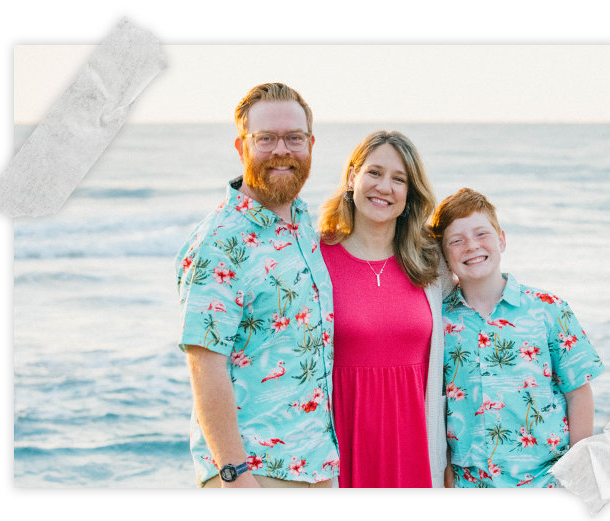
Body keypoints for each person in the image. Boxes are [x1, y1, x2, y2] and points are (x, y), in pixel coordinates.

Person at [176, 83, 338, 488]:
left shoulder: (303, 226)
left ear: (311, 144)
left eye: (293, 138)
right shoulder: (220, 241)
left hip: (317, 465)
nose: (282, 149)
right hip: (255, 472)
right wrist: (233, 475)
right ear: (242, 146)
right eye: (266, 138)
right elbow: (205, 363)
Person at [430, 188, 604, 488]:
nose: (471, 246)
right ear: (446, 256)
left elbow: (578, 393)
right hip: (469, 482)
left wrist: (580, 472)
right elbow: (436, 407)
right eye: (456, 241)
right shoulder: (438, 321)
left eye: (481, 234)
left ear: (502, 240)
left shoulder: (549, 309)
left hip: (547, 480)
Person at [317, 131, 452, 487]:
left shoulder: (431, 264)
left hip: (418, 447)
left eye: (399, 179)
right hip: (341, 446)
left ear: (409, 194)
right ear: (352, 178)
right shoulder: (315, 258)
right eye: (374, 173)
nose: (384, 187)